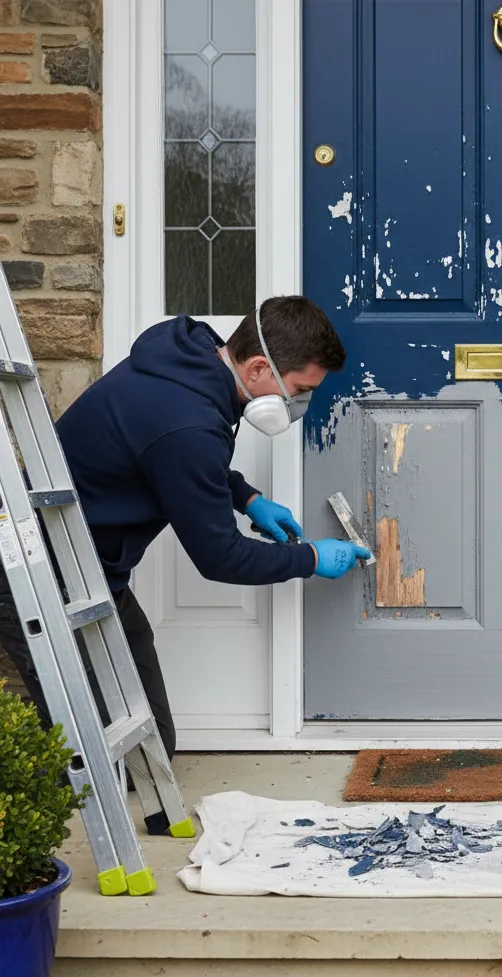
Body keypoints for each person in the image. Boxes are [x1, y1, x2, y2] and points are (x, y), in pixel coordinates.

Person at [0, 295, 369, 768]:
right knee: (110, 760)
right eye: (299, 390)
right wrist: (312, 559)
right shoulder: (188, 421)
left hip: (91, 573)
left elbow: (164, 457)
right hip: (35, 578)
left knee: (150, 749)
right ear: (257, 367)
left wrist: (246, 497)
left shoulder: (190, 358)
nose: (299, 404)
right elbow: (221, 557)